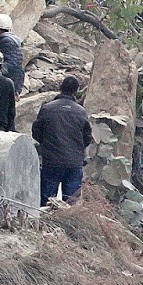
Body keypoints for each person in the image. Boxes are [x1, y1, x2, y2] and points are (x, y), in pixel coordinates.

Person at [33, 75, 94, 205]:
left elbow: (36, 132)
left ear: (60, 88)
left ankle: (46, 224)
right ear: (76, 91)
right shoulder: (80, 112)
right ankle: (67, 224)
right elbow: (88, 137)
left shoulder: (47, 108)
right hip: (74, 163)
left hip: (51, 161)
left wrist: (47, 145)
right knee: (71, 203)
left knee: (46, 201)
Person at [0, 14, 25, 97]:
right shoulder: (14, 40)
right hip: (16, 78)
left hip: (10, 80)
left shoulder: (5, 42)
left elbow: (9, 65)